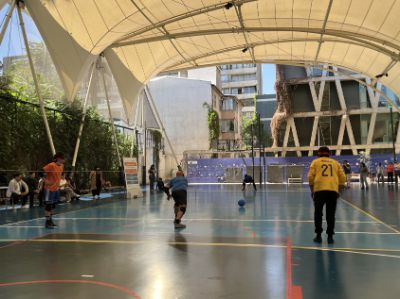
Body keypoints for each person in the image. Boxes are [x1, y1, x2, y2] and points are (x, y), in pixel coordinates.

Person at [308, 146, 345, 244]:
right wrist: (339, 190)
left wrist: (312, 190)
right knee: (331, 214)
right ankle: (330, 237)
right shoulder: (335, 163)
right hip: (332, 190)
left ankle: (318, 236)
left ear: (318, 154)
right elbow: (342, 178)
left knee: (318, 213)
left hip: (319, 190)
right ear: (329, 154)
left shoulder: (315, 162)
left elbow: (310, 177)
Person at [43, 152, 65, 228]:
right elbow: (41, 172)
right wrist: (46, 180)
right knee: (48, 205)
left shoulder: (62, 166)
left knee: (53, 206)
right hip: (49, 188)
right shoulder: (51, 165)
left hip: (56, 189)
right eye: (62, 158)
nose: (64, 160)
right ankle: (47, 222)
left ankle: (50, 220)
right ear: (58, 158)